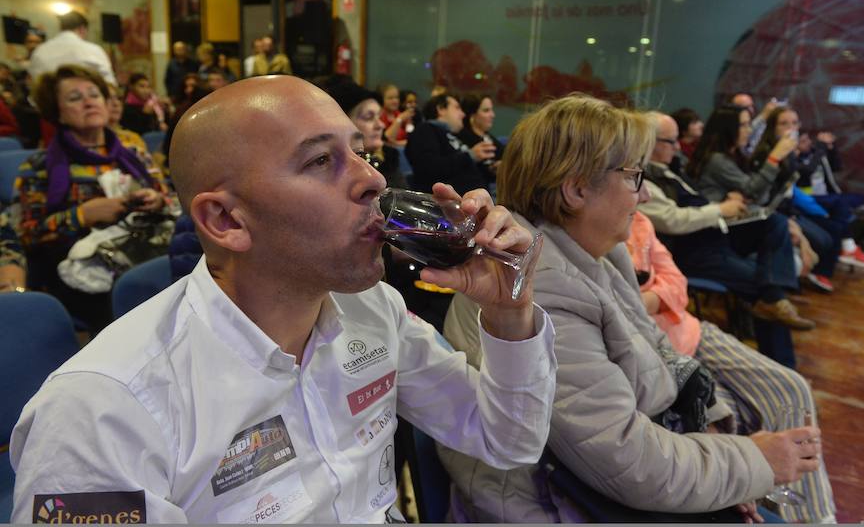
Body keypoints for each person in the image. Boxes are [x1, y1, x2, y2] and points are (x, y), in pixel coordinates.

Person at [10, 75, 557, 523]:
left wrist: (509, 313)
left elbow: (507, 440)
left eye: (362, 152)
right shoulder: (105, 410)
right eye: (321, 161)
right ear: (226, 220)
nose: (372, 179)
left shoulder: (374, 310)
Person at [438, 94, 823, 523]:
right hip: (558, 506)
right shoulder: (536, 285)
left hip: (607, 486)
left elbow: (657, 346)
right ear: (577, 188)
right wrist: (754, 462)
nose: (641, 196)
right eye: (633, 176)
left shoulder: (596, 253)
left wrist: (711, 434)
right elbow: (630, 462)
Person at [625, 210, 835, 521]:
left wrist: (644, 301)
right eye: (631, 177)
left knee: (792, 387)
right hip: (659, 355)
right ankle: (771, 507)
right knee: (732, 418)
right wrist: (722, 207)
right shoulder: (584, 245)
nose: (641, 194)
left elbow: (678, 284)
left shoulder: (637, 220)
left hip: (688, 330)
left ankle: (815, 517)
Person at [14, 65, 167, 330]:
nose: (88, 102)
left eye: (94, 95)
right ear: (57, 112)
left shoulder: (133, 153)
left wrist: (156, 199)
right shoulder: (39, 166)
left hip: (140, 247)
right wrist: (83, 214)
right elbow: (28, 233)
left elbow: (170, 199)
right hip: (79, 266)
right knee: (134, 310)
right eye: (75, 98)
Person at [644, 112, 815, 331]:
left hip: (715, 235)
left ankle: (774, 306)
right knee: (770, 282)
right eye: (743, 125)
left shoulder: (672, 168)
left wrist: (724, 202)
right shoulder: (648, 177)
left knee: (777, 225)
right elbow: (673, 219)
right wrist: (773, 159)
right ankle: (779, 346)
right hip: (695, 250)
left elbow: (709, 198)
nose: (750, 129)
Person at [750, 107, 864, 283]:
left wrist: (829, 150)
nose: (790, 128)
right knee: (826, 231)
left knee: (832, 228)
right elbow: (761, 193)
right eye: (784, 123)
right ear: (772, 127)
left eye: (794, 123)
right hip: (772, 213)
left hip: (790, 207)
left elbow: (836, 167)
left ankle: (832, 261)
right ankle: (805, 271)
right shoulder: (768, 152)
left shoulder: (791, 154)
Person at [405, 93, 494, 194]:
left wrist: (492, 169)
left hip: (479, 197)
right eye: (457, 108)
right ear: (441, 109)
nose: (463, 114)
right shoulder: (425, 130)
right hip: (454, 203)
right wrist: (470, 156)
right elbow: (428, 168)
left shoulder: (453, 135)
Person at [325, 77, 406, 189]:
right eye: (369, 117)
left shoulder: (389, 157)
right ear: (344, 122)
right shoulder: (331, 168)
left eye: (379, 116)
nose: (380, 125)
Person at [28, 11, 115, 86]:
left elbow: (33, 83)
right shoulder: (94, 50)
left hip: (45, 104)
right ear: (82, 29)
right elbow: (110, 84)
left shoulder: (40, 51)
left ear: (61, 28)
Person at [459, 94, 505, 194]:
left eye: (491, 110)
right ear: (472, 115)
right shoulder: (461, 138)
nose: (492, 115)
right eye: (486, 110)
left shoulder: (489, 138)